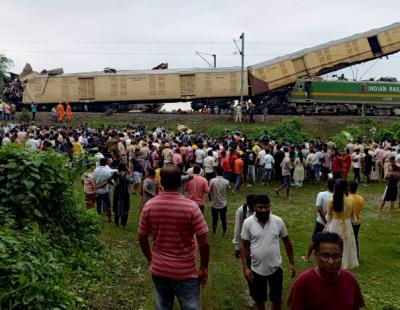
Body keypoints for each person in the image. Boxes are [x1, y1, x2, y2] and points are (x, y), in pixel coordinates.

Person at [138, 165, 209, 310]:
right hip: (186, 271)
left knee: (163, 306)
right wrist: (203, 267)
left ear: (161, 182)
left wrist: (151, 259)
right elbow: (204, 243)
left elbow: (142, 237)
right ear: (180, 182)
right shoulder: (191, 207)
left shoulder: (150, 206)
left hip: (159, 269)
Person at [241, 194, 296, 310]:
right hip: (256, 269)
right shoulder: (248, 222)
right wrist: (245, 267)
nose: (264, 210)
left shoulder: (278, 221)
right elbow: (244, 246)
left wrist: (291, 263)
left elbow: (287, 242)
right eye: (260, 207)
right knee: (260, 300)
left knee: (276, 300)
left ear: (270, 206)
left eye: (266, 207)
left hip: (276, 269)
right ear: (254, 207)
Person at [287, 232, 365, 310]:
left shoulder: (350, 280)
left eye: (336, 256)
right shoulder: (304, 282)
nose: (331, 261)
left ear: (342, 256)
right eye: (325, 256)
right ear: (316, 255)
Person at [326, 179, 359, 269]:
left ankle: (333, 263)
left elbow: (328, 218)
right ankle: (345, 265)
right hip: (347, 226)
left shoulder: (330, 200)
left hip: (335, 225)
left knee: (333, 245)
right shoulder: (351, 200)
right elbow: (354, 219)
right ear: (346, 189)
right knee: (346, 245)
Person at [302, 179, 335, 261]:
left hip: (321, 221)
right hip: (332, 222)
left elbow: (319, 208)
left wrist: (324, 220)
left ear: (327, 185)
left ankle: (307, 257)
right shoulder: (336, 196)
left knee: (315, 239)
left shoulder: (321, 194)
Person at [233, 194, 256, 307]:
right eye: (252, 206)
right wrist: (237, 247)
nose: (254, 208)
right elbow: (238, 229)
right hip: (247, 245)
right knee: (250, 270)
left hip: (259, 244)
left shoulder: (262, 209)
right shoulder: (241, 211)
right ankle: (252, 296)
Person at [108, 163, 134, 227]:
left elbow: (108, 180)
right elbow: (131, 181)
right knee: (125, 208)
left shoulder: (115, 174)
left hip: (117, 193)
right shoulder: (125, 175)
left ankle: (116, 222)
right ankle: (123, 223)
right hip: (125, 194)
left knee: (116, 207)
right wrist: (130, 173)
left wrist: (114, 184)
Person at [208, 166, 230, 235]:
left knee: (214, 219)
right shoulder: (226, 181)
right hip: (223, 203)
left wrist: (210, 200)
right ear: (223, 172)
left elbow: (209, 192)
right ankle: (225, 232)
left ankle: (214, 232)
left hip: (214, 203)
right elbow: (228, 189)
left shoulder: (212, 181)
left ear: (216, 172)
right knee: (223, 219)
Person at [348, 181, 364, 263]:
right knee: (355, 239)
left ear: (349, 188)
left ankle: (348, 257)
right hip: (357, 222)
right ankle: (357, 256)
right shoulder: (360, 198)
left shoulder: (347, 198)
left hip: (348, 222)